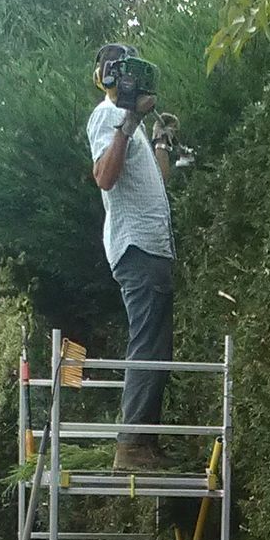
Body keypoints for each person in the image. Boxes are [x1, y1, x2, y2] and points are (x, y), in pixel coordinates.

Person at [87, 43, 178, 471]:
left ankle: (143, 443)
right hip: (137, 247)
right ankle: (132, 445)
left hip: (152, 247)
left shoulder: (132, 125)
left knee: (157, 347)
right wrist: (129, 122)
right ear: (111, 77)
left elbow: (157, 180)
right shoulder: (107, 115)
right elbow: (105, 177)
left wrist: (159, 141)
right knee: (147, 344)